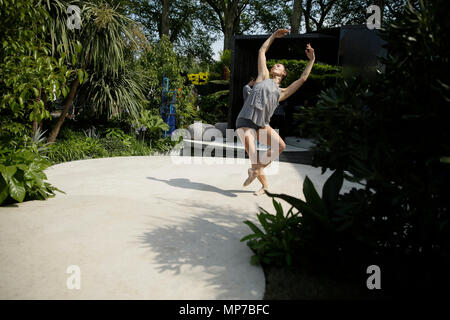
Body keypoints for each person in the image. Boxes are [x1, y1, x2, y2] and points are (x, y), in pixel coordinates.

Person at [235, 28, 315, 195]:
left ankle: (257, 176)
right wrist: (273, 36)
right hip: (245, 121)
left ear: (284, 73)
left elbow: (303, 79)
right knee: (254, 155)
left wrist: (312, 60)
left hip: (262, 125)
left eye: (279, 66)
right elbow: (262, 50)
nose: (275, 66)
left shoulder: (282, 92)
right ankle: (261, 180)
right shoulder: (263, 77)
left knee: (280, 146)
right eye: (274, 65)